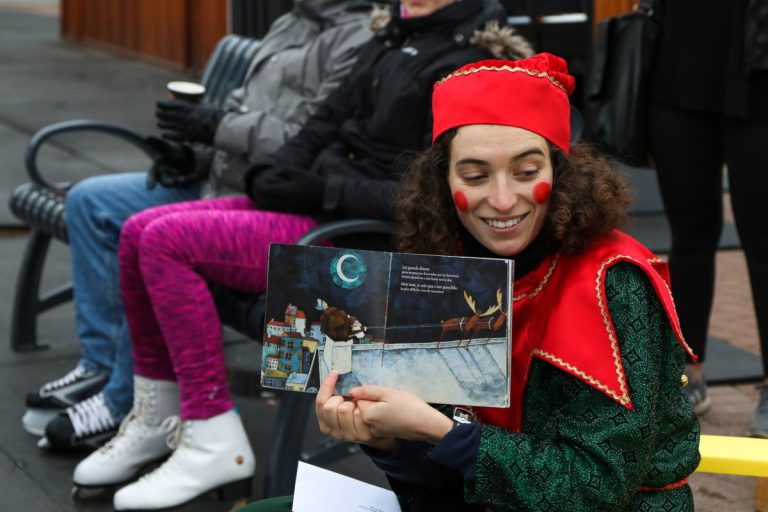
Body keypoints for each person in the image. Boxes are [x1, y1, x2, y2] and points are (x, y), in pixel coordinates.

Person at [72, 1, 533, 510]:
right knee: (140, 230)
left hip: (356, 239)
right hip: (314, 205)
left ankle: (210, 430)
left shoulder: (467, 61)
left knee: (166, 241)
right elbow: (323, 121)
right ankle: (159, 410)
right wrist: (276, 171)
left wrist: (321, 189)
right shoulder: (389, 38)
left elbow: (428, 194)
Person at [243, 53, 702, 512]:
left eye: (526, 172)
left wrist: (442, 431)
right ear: (443, 181)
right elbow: (442, 489)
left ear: (560, 174)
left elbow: (596, 488)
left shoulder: (614, 282)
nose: (502, 200)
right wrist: (387, 443)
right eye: (475, 175)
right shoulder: (447, 275)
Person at [22, 0, 374, 450]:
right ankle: (100, 366)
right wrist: (194, 153)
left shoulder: (359, 37)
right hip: (214, 176)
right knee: (90, 201)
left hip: (261, 196)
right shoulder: (290, 20)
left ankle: (127, 396)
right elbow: (241, 103)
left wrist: (217, 126)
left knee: (157, 237)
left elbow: (308, 139)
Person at [646, 0, 768, 423]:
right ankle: (686, 373)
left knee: (764, 243)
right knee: (689, 237)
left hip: (761, 79)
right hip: (678, 77)